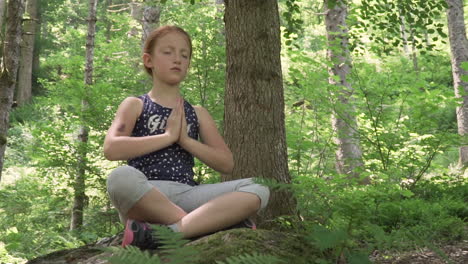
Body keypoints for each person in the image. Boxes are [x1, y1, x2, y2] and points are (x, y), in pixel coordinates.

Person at [103, 25, 270, 250]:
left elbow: (226, 163)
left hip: (189, 193)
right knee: (120, 177)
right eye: (168, 52)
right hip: (146, 195)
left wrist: (186, 141)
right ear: (148, 60)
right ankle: (204, 225)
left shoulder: (197, 112)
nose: (178, 59)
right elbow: (112, 149)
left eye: (184, 55)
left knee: (259, 188)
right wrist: (168, 136)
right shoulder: (136, 104)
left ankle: (169, 232)